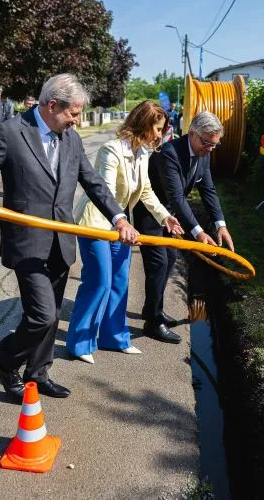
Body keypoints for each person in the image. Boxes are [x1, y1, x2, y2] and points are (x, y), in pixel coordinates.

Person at [0, 73, 139, 401]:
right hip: (26, 242)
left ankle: (38, 373)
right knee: (42, 315)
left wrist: (119, 217)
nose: (77, 120)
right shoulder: (11, 133)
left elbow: (93, 181)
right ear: (52, 105)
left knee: (51, 316)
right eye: (74, 113)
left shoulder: (71, 139)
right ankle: (5, 360)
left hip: (62, 240)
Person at [67, 101, 183, 364]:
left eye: (162, 129)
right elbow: (104, 191)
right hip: (96, 222)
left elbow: (145, 191)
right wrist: (120, 222)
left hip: (122, 226)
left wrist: (165, 216)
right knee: (100, 282)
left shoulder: (143, 152)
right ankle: (78, 342)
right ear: (143, 124)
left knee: (120, 282)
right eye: (157, 128)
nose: (159, 134)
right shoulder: (111, 149)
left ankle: (114, 337)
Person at [133, 111, 234, 344]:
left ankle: (152, 309)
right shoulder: (169, 154)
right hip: (151, 213)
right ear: (192, 134)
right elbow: (177, 198)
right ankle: (153, 322)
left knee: (168, 260)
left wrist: (221, 225)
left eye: (214, 144)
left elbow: (208, 190)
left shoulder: (205, 154)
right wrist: (198, 232)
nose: (210, 148)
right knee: (159, 262)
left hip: (171, 216)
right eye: (207, 143)